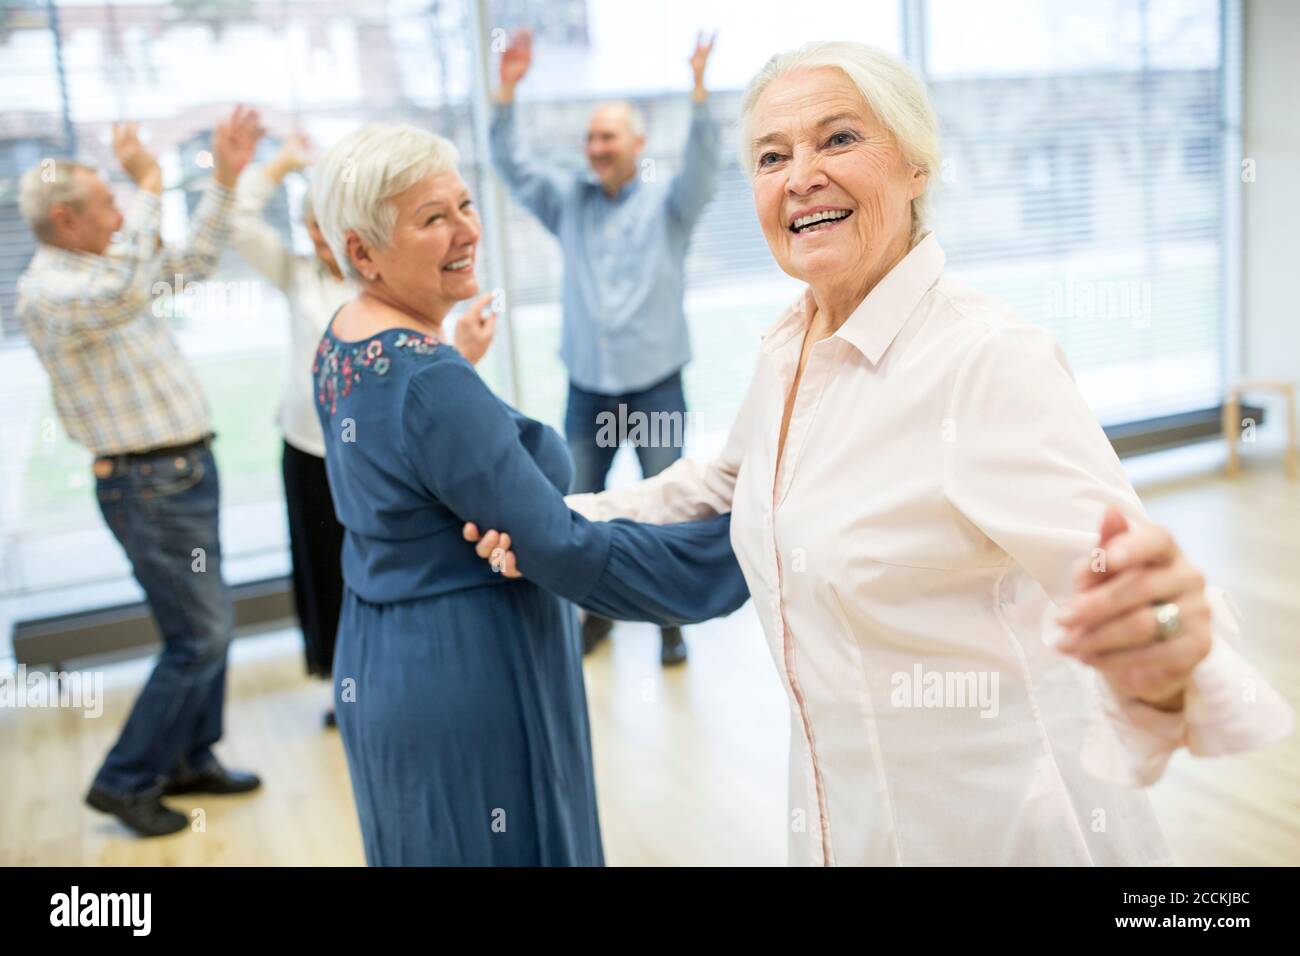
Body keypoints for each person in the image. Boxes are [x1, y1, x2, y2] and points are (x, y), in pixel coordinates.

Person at [464, 42, 1295, 866]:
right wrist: (553, 518)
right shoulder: (791, 344)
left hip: (997, 832)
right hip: (840, 821)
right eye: (771, 155)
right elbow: (719, 481)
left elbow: (1125, 586)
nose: (800, 176)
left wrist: (1167, 645)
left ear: (916, 165)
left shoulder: (985, 361)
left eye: (838, 139)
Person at [308, 123, 747, 866]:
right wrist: (742, 545)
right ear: (361, 252)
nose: (467, 231)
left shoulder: (343, 342)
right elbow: (560, 545)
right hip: (470, 661)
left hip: (383, 654)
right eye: (433, 219)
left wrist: (452, 363)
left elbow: (411, 462)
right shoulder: (431, 380)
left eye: (466, 204)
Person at [16, 106, 267, 838]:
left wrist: (223, 177)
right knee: (201, 636)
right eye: (106, 202)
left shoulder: (102, 269)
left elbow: (189, 264)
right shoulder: (52, 291)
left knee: (204, 626)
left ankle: (190, 758)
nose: (121, 210)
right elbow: (130, 286)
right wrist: (154, 181)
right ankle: (124, 780)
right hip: (147, 487)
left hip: (184, 473)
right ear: (64, 219)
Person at [229, 132, 497, 727]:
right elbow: (240, 221)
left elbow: (418, 393)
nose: (323, 242)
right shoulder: (298, 277)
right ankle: (338, 679)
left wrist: (462, 357)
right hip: (310, 447)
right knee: (329, 564)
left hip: (379, 454)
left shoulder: (397, 292)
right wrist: (277, 164)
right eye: (314, 231)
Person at [489, 28, 721, 665]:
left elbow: (705, 165)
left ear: (636, 145)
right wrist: (506, 93)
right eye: (590, 138)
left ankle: (671, 622)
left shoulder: (668, 208)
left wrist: (700, 94)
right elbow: (511, 166)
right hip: (588, 388)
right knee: (577, 511)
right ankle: (596, 617)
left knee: (667, 511)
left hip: (655, 383)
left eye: (607, 138)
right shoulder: (570, 203)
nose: (595, 148)